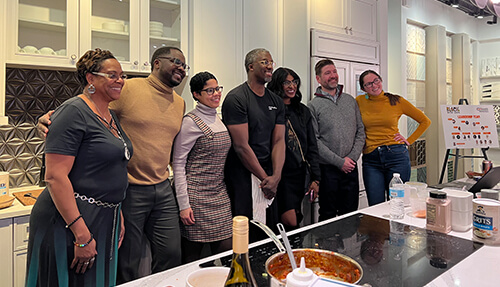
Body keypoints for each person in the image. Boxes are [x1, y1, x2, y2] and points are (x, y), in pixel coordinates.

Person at [37, 46, 187, 284]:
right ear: (157, 63)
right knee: (124, 261)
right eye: (176, 61)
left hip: (154, 188)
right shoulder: (129, 89)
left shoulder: (179, 103)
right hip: (124, 192)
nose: (119, 80)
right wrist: (47, 120)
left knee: (171, 254)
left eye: (121, 76)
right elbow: (81, 111)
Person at [26, 48, 132, 286]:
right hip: (70, 219)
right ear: (90, 78)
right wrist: (81, 235)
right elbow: (54, 176)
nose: (120, 81)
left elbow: (110, 168)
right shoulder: (74, 111)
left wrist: (118, 212)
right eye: (113, 75)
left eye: (122, 75)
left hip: (104, 216)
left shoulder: (110, 115)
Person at [222, 48, 286, 240]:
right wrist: (266, 178)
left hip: (269, 174)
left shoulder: (276, 100)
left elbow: (279, 140)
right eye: (264, 62)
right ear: (250, 67)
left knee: (269, 231)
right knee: (247, 232)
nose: (270, 66)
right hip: (244, 173)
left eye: (271, 62)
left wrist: (276, 177)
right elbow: (241, 146)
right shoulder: (236, 99)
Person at [172, 71, 232, 263]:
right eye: (210, 91)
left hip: (219, 194)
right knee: (193, 258)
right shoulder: (191, 122)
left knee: (227, 253)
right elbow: (179, 163)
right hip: (196, 198)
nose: (216, 94)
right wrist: (184, 205)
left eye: (217, 89)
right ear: (196, 94)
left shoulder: (217, 118)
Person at [357, 70, 431, 206]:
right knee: (375, 205)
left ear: (381, 80)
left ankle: (397, 228)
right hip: (371, 159)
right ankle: (379, 228)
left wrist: (409, 140)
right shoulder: (359, 101)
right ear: (363, 88)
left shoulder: (397, 101)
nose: (374, 85)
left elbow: (425, 121)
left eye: (376, 81)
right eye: (368, 84)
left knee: (397, 204)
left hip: (396, 156)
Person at [308, 59, 365, 221]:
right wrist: (340, 162)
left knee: (351, 215)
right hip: (327, 170)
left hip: (351, 168)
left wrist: (350, 159)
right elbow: (314, 141)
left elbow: (360, 132)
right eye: (327, 73)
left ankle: (349, 247)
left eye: (334, 72)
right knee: (328, 215)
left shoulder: (350, 101)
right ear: (318, 79)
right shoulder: (313, 106)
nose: (333, 76)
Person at [267, 67, 320, 230]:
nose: (292, 86)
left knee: (295, 216)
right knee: (288, 221)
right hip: (279, 175)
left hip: (299, 173)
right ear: (278, 85)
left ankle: (292, 254)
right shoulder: (270, 109)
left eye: (294, 82)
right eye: (286, 82)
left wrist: (316, 179)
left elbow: (312, 145)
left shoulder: (302, 110)